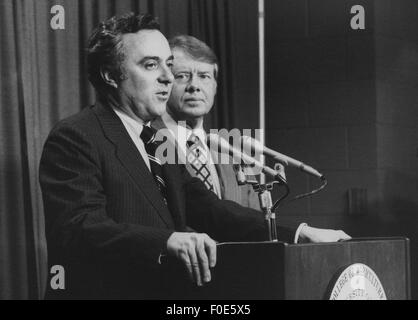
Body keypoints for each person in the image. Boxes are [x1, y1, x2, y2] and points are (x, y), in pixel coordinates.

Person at [39, 13, 303, 299]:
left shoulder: (158, 141)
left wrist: (299, 234)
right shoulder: (77, 135)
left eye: (168, 64)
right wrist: (167, 241)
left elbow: (211, 210)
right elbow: (78, 229)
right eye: (151, 65)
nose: (167, 77)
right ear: (109, 75)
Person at [154, 34, 351, 244]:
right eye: (182, 76)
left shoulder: (231, 150)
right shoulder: (150, 142)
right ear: (165, 83)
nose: (194, 85)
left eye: (204, 76)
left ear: (215, 86)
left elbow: (252, 220)